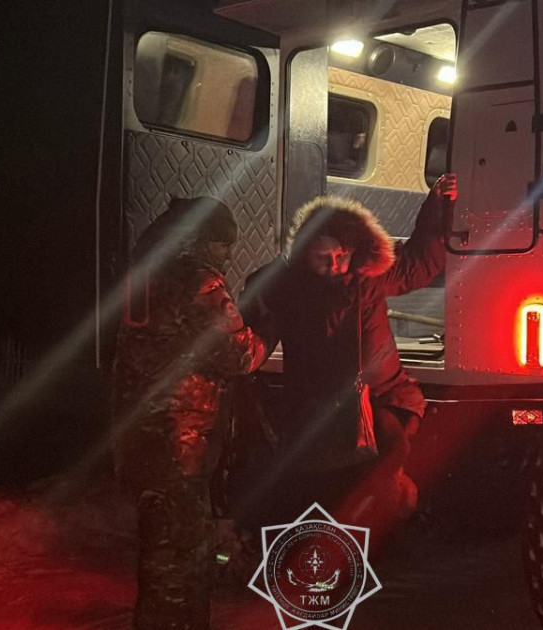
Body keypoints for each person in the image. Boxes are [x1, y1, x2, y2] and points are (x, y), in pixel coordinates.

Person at [242, 174, 457, 536]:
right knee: (320, 481)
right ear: (305, 254)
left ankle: (386, 520)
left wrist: (439, 204)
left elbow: (420, 262)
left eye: (340, 256)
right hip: (317, 403)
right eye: (322, 258)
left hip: (381, 393)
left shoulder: (370, 276)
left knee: (392, 452)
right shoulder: (287, 288)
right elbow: (253, 319)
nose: (333, 264)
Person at [112, 196, 268, 630]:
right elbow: (239, 355)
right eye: (223, 244)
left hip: (140, 435)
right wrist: (266, 331)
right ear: (202, 240)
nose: (228, 255)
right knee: (183, 556)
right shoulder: (198, 281)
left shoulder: (146, 274)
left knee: (158, 550)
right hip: (178, 442)